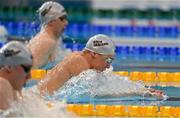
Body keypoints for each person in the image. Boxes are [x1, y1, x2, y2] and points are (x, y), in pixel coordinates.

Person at [38, 34, 164, 98]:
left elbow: (108, 83)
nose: (108, 66)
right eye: (108, 60)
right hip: (41, 100)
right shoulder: (79, 61)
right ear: (94, 54)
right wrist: (136, 93)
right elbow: (97, 92)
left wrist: (141, 89)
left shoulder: (82, 60)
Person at [27, 1, 68, 69]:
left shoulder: (50, 39)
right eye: (62, 19)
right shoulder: (47, 42)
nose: (66, 23)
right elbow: (29, 75)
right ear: (51, 21)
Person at [0, 41, 32, 110]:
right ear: (9, 66)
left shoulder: (13, 92)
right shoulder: (2, 84)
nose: (29, 76)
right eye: (26, 69)